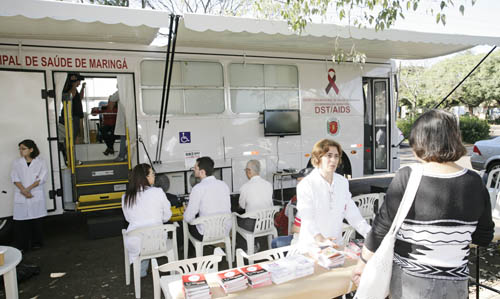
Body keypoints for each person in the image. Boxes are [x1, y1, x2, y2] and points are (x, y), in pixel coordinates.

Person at [352, 110, 495, 299]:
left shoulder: (408, 176)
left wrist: (362, 265)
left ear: (420, 141)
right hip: (457, 284)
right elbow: (484, 236)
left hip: (411, 284)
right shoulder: (475, 181)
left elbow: (380, 230)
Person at [297, 139, 371, 247]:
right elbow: (307, 218)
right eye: (329, 155)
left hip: (336, 245)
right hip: (312, 246)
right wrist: (321, 239)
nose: (333, 160)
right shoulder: (306, 184)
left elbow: (352, 213)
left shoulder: (342, 182)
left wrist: (370, 234)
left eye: (336, 156)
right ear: (318, 158)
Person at [121, 163, 172, 278]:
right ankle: (156, 268)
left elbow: (128, 219)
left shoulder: (126, 197)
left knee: (143, 238)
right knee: (153, 234)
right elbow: (167, 216)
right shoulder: (158, 192)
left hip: (135, 242)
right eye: (152, 174)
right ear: (146, 177)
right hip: (157, 240)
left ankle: (141, 272)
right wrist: (156, 220)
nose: (154, 176)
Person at [11, 139, 48, 252]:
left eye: (23, 148)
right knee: (21, 223)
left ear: (31, 149)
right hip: (22, 194)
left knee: (36, 221)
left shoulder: (40, 162)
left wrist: (28, 189)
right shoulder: (17, 162)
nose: (21, 151)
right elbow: (14, 178)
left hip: (34, 193)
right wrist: (23, 190)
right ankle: (22, 245)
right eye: (20, 149)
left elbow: (41, 178)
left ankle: (37, 243)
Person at [183, 156, 231, 241]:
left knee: (186, 222)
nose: (193, 169)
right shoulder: (223, 184)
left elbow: (188, 218)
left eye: (195, 168)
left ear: (202, 172)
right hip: (225, 231)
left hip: (205, 234)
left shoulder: (197, 188)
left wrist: (186, 210)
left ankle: (193, 251)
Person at [237, 160, 273, 231]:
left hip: (252, 225)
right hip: (268, 222)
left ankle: (251, 241)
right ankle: (262, 240)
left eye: (245, 170)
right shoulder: (269, 185)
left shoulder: (245, 187)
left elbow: (242, 206)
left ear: (249, 171)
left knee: (238, 221)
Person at [59, 72, 85, 144]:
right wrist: (74, 84)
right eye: (78, 81)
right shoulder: (67, 88)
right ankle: (67, 153)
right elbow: (70, 97)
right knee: (70, 136)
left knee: (73, 136)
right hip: (71, 116)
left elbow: (80, 98)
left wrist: (82, 88)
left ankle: (69, 152)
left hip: (75, 116)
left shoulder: (74, 89)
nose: (79, 83)